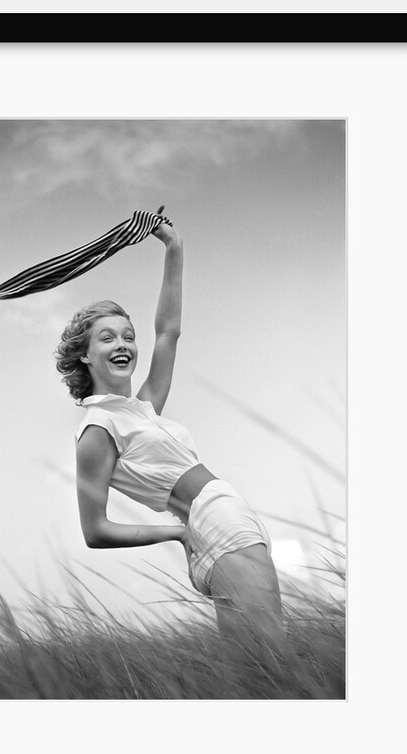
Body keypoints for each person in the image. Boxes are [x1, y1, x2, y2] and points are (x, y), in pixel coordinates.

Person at [54, 210, 285, 666]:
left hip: (229, 522)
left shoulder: (141, 409)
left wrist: (173, 247)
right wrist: (178, 532)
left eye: (127, 336)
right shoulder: (98, 430)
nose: (123, 344)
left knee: (256, 673)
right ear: (84, 355)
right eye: (107, 338)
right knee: (275, 662)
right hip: (213, 526)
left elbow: (168, 332)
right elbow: (95, 531)